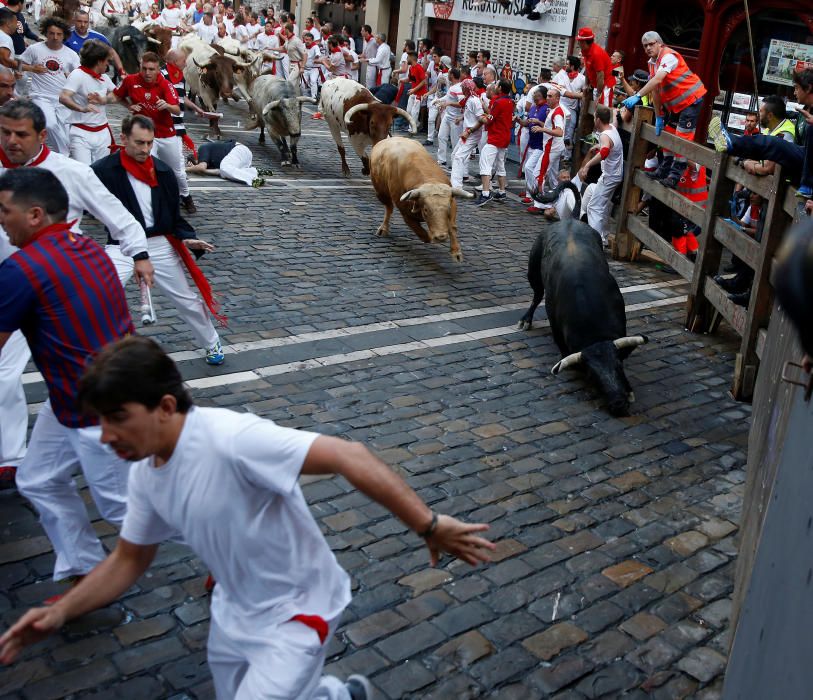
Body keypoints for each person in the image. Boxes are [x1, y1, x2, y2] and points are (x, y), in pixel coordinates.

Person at [0, 334, 496, 698]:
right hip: (233, 615)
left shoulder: (232, 439)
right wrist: (61, 611)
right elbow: (128, 559)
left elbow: (351, 455)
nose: (105, 437)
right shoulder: (146, 473)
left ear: (166, 407)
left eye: (117, 418)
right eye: (101, 422)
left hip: (297, 613)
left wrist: (429, 525)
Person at [0, 168, 140, 593]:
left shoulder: (21, 269)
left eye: (5, 212)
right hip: (79, 394)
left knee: (125, 511)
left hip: (95, 407)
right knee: (37, 479)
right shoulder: (89, 248)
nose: (1, 219)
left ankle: (230, 549)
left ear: (35, 215)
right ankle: (85, 565)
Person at [92, 114, 226, 365]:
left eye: (149, 143)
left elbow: (174, 216)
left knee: (186, 300)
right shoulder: (102, 171)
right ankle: (119, 342)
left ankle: (211, 341)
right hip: (120, 246)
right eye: (139, 143)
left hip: (158, 243)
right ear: (123, 139)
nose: (145, 149)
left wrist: (188, 238)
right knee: (100, 293)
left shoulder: (163, 172)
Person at [708, 68, 813, 202]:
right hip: (800, 165)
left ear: (808, 88)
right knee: (770, 143)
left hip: (800, 171)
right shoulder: (803, 113)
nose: (794, 92)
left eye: (797, 88)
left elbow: (769, 166)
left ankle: (732, 142)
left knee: (774, 143)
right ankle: (731, 143)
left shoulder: (789, 128)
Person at [111, 52, 195, 213]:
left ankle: (185, 195)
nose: (147, 73)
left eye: (151, 69)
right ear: (140, 67)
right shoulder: (130, 80)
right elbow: (117, 96)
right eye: (144, 69)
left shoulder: (165, 84)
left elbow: (177, 110)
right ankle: (148, 202)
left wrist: (167, 106)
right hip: (146, 135)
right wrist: (128, 106)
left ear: (158, 69)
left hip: (166, 133)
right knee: (146, 167)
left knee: (177, 171)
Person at [622, 31, 707, 189]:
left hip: (691, 100)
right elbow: (656, 90)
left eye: (651, 44)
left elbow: (658, 79)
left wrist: (638, 95)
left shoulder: (668, 56)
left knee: (682, 139)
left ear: (660, 43)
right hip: (677, 104)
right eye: (645, 45)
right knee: (667, 134)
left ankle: (674, 176)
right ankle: (663, 170)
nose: (648, 48)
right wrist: (659, 115)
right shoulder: (652, 62)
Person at [20, 17, 79, 155]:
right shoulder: (34, 49)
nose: (55, 37)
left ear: (64, 36)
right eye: (51, 33)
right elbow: (19, 65)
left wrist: (71, 77)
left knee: (66, 131)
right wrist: (33, 68)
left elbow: (79, 74)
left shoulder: (71, 54)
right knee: (50, 124)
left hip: (62, 99)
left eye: (59, 34)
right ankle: (64, 155)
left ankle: (62, 157)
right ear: (45, 33)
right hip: (40, 96)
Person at [59, 39, 117, 164]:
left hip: (103, 133)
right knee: (84, 171)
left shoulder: (104, 78)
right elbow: (64, 97)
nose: (108, 65)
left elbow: (117, 95)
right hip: (81, 133)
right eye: (107, 61)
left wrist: (104, 99)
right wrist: (82, 108)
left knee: (101, 173)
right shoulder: (77, 75)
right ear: (99, 61)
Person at [576, 104, 624, 244]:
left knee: (594, 207)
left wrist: (587, 165)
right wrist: (615, 112)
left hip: (610, 176)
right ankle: (602, 237)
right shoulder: (612, 128)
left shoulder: (604, 135)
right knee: (598, 200)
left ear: (597, 120)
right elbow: (614, 123)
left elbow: (604, 152)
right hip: (613, 175)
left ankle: (594, 242)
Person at [528, 86, 568, 214]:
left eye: (551, 96)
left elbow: (559, 131)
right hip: (554, 147)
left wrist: (543, 129)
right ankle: (557, 201)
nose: (548, 98)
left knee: (538, 174)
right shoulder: (555, 110)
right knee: (552, 178)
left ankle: (540, 204)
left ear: (557, 98)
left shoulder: (557, 112)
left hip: (551, 148)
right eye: (548, 96)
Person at [476, 79, 513, 206]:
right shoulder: (510, 101)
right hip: (504, 137)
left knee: (485, 164)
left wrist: (480, 117)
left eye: (497, 85)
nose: (495, 87)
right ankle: (502, 192)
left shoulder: (498, 102)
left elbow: (490, 120)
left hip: (495, 137)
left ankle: (485, 193)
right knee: (500, 165)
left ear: (500, 88)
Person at [64, 10, 126, 76]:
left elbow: (112, 52)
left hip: (94, 75)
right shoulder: (66, 35)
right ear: (74, 21)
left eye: (85, 22)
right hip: (73, 74)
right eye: (79, 21)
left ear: (89, 22)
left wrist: (121, 71)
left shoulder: (98, 36)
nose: (83, 25)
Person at [187, 137, 265, 187]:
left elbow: (201, 167)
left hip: (239, 150)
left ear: (196, 157)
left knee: (225, 167)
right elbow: (219, 171)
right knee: (225, 172)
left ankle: (253, 179)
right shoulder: (211, 163)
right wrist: (201, 170)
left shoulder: (203, 149)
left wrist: (187, 169)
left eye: (196, 163)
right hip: (244, 157)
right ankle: (253, 171)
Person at [450, 79, 485, 189]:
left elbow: (481, 119)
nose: (461, 89)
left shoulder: (474, 101)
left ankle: (456, 186)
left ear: (465, 88)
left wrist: (469, 132)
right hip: (468, 132)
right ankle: (455, 182)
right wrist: (461, 118)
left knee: (458, 157)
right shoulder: (469, 99)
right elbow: (471, 115)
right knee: (455, 155)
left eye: (462, 87)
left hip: (472, 134)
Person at [518, 85, 548, 204]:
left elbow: (549, 126)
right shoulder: (533, 108)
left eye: (538, 95)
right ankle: (529, 192)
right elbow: (527, 122)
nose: (535, 96)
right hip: (532, 143)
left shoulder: (546, 109)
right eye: (534, 95)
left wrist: (538, 122)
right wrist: (518, 120)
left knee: (530, 167)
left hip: (541, 145)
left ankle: (534, 193)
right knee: (528, 167)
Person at [576, 26, 615, 107]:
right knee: (592, 112)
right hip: (595, 86)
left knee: (602, 111)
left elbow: (600, 76)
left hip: (605, 87)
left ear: (584, 42)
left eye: (579, 41)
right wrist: (586, 84)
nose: (578, 43)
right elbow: (588, 68)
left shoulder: (596, 54)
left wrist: (598, 95)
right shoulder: (586, 51)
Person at [405, 50, 427, 131]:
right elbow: (410, 79)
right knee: (408, 110)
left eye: (407, 58)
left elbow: (424, 81)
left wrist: (414, 89)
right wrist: (401, 80)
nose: (406, 59)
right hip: (413, 92)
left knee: (414, 112)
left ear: (411, 58)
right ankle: (416, 124)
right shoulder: (411, 68)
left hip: (419, 94)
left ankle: (412, 129)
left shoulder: (419, 68)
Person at [360, 24, 377, 89]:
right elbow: (364, 54)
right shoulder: (365, 41)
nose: (361, 32)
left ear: (367, 32)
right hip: (368, 65)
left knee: (371, 84)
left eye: (362, 31)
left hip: (373, 65)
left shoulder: (374, 41)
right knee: (367, 82)